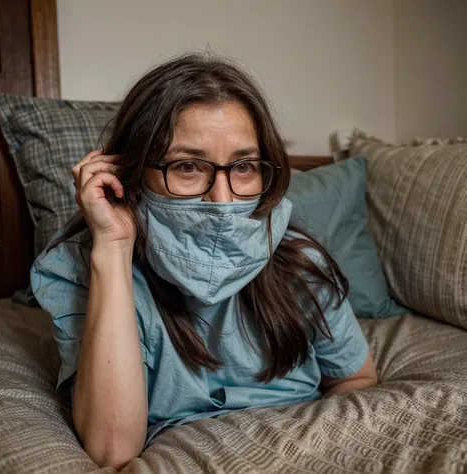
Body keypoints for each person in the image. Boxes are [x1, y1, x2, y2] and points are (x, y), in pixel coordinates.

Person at [30, 53, 378, 469]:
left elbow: (356, 379)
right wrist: (112, 249)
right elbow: (111, 450)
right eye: (188, 166)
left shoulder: (300, 261)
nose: (223, 200)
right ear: (131, 172)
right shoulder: (77, 270)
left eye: (245, 166)